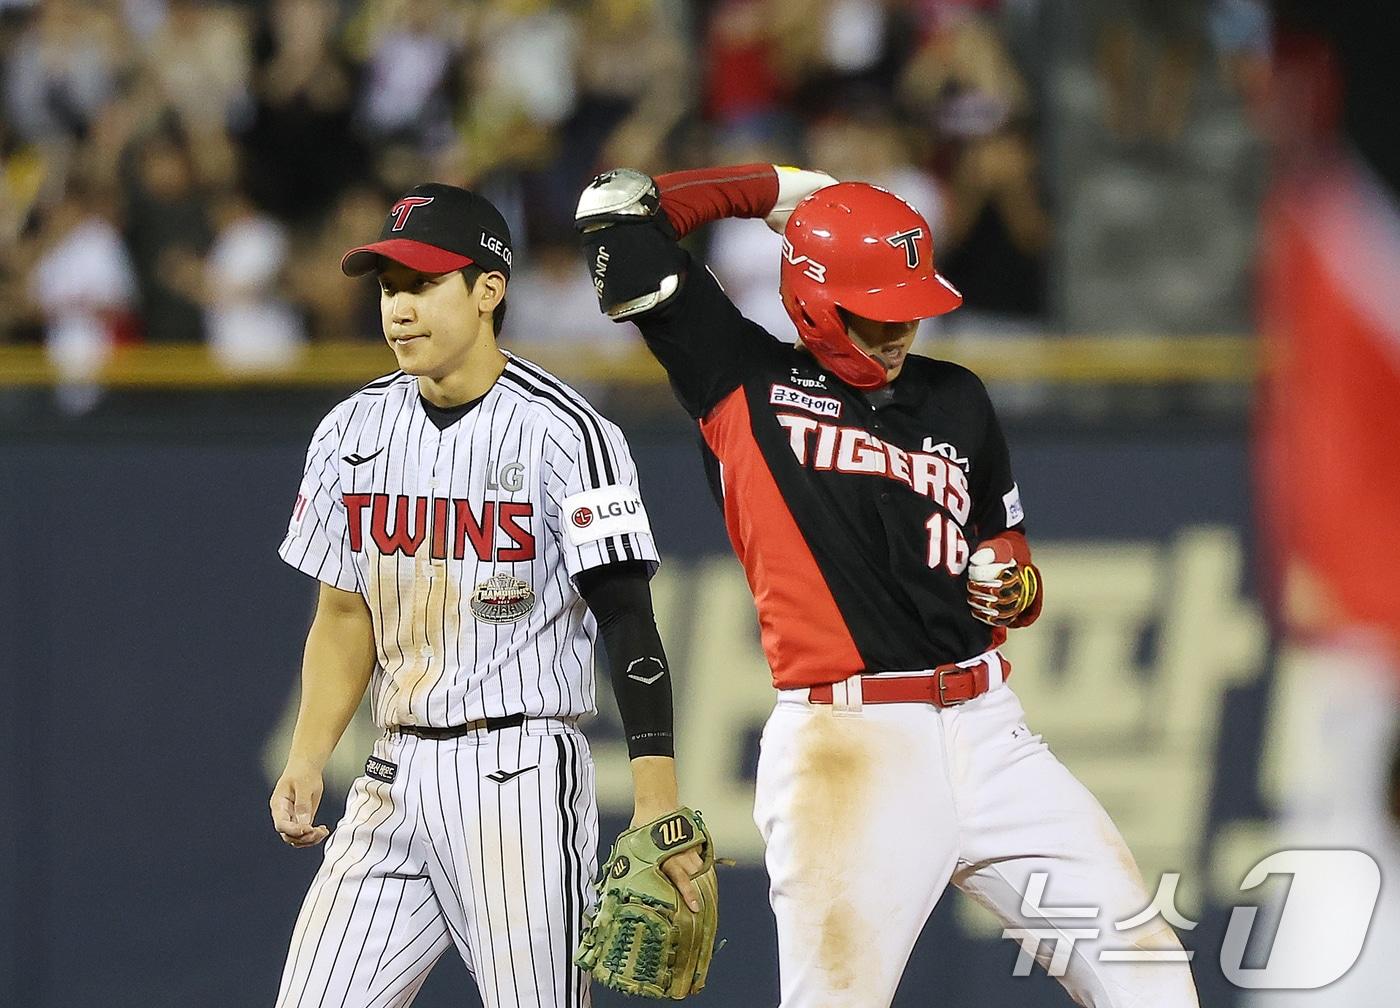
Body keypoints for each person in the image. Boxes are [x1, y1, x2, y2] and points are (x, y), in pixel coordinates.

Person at [575, 165, 1201, 1007]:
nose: (898, 328)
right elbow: (615, 217)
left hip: (992, 732)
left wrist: (1014, 584)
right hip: (849, 744)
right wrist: (775, 188)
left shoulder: (956, 398)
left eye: (909, 307)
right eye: (875, 312)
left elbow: (1003, 541)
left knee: (1151, 976)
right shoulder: (737, 376)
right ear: (810, 299)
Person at [269, 182, 702, 1008]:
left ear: (487, 290)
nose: (399, 308)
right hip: (390, 774)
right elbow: (343, 614)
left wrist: (656, 802)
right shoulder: (350, 430)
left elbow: (627, 620)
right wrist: (306, 754)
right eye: (390, 288)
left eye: (424, 284)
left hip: (519, 775)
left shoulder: (568, 432)